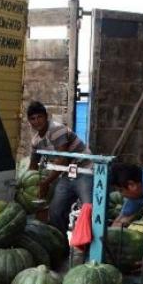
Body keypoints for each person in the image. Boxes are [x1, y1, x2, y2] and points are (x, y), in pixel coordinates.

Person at [27, 101, 92, 235]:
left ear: (46, 116)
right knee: (56, 211)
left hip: (84, 170)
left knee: (89, 210)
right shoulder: (36, 141)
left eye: (39, 117)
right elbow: (32, 166)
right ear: (29, 121)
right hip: (67, 175)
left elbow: (62, 160)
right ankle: (62, 244)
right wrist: (28, 185)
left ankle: (89, 251)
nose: (37, 121)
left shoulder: (56, 129)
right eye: (33, 118)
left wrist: (46, 183)